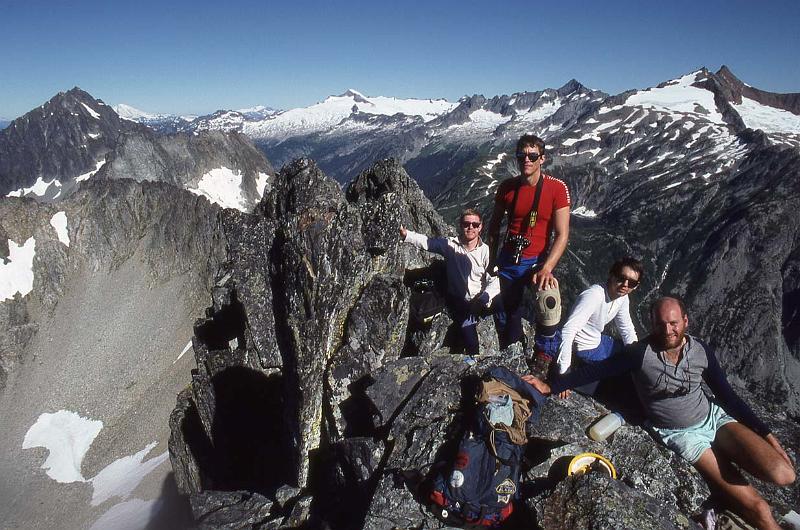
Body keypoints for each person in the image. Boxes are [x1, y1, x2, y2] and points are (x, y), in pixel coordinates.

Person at [524, 297, 795, 530]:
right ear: (652, 324)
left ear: (685, 321)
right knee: (759, 508)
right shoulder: (640, 354)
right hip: (684, 437)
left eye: (673, 323)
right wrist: (550, 386)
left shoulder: (700, 351)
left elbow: (728, 397)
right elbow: (597, 371)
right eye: (660, 324)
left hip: (714, 418)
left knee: (785, 475)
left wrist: (768, 436)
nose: (667, 330)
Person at [487, 134, 570, 348]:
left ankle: (545, 353)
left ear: (542, 158)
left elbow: (562, 234)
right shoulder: (507, 187)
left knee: (549, 303)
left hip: (537, 262)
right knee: (509, 310)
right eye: (521, 156)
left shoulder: (557, 188)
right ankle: (511, 350)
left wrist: (547, 268)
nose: (527, 160)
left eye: (532, 156)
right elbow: (493, 227)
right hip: (510, 259)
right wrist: (491, 260)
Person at [400, 208, 499, 355]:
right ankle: (471, 355)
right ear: (461, 225)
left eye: (475, 224)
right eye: (466, 224)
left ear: (480, 227)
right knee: (464, 321)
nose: (470, 227)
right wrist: (407, 235)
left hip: (478, 300)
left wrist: (483, 299)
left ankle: (474, 356)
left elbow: (495, 282)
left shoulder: (487, 252)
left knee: (468, 323)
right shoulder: (450, 245)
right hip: (456, 299)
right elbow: (428, 242)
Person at [555, 257, 643, 376]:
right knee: (622, 367)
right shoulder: (594, 295)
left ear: (636, 286)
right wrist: (564, 372)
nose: (625, 285)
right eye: (621, 278)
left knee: (631, 352)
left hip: (598, 340)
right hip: (586, 350)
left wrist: (636, 357)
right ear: (612, 275)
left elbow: (626, 328)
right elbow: (568, 330)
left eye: (632, 283)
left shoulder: (622, 297)